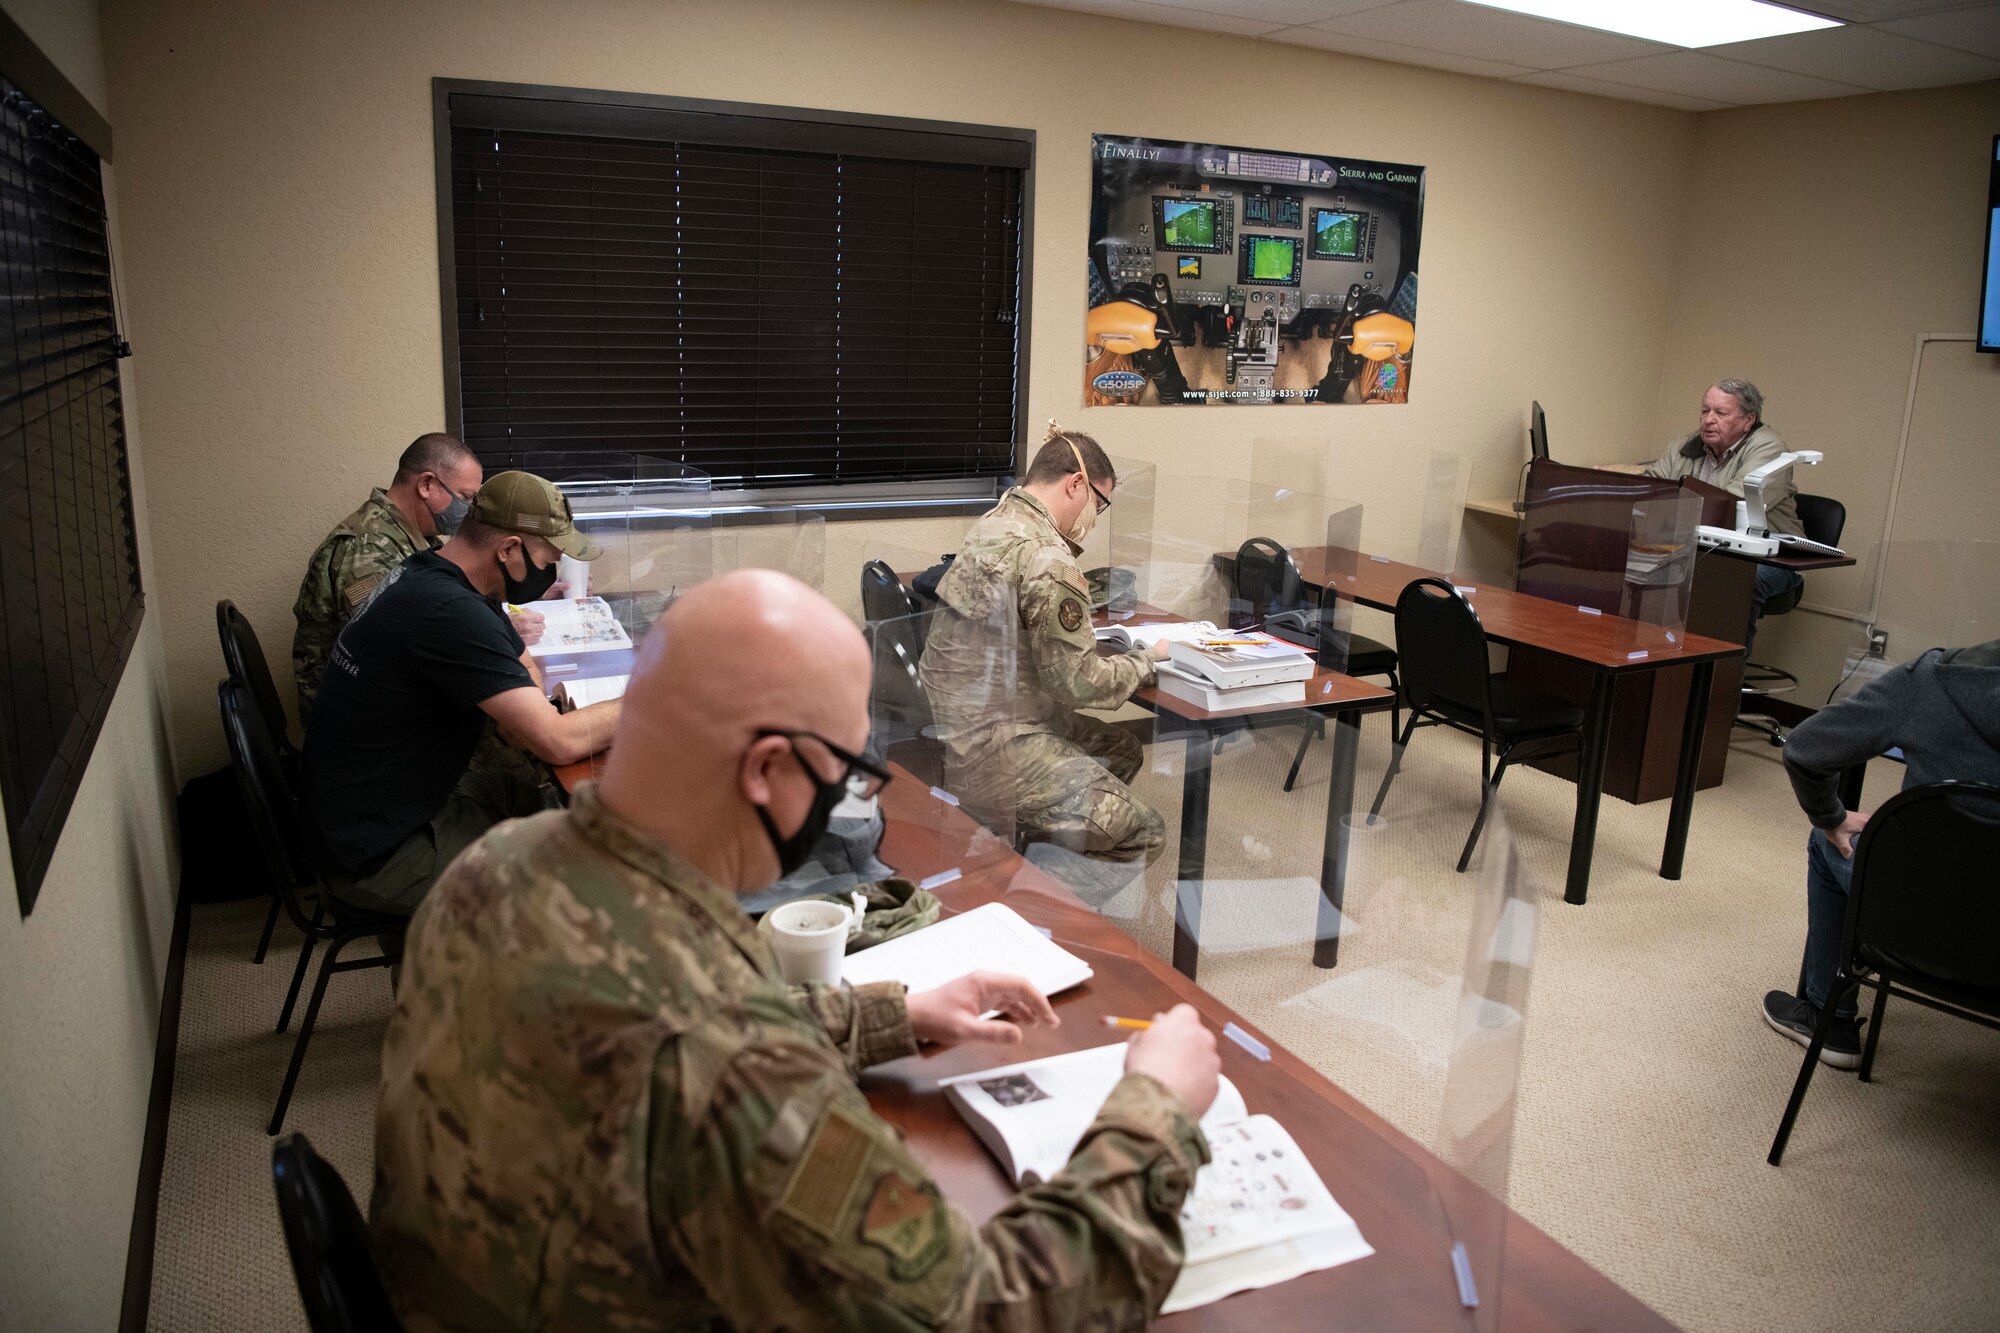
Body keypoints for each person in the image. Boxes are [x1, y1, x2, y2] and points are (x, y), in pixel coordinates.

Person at [370, 568, 1223, 1329]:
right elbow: (981, 1309)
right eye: (846, 766)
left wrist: (890, 1012)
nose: (848, 792)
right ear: (768, 768)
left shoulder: (492, 866)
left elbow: (651, 1033)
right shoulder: (728, 1063)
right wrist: (1154, 1113)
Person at [299, 470, 619, 916]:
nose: (549, 573)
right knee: (576, 894)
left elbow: (521, 664)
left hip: (396, 800)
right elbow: (557, 740)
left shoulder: (434, 572)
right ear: (509, 549)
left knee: (553, 806)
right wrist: (649, 702)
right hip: (377, 851)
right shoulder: (448, 611)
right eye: (549, 560)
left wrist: (531, 708)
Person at [920, 422, 1169, 871]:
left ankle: (1037, 850)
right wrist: (1147, 659)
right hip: (996, 744)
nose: (1095, 516)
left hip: (958, 725)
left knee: (1123, 750)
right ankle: (1042, 912)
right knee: (1145, 831)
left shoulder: (996, 522)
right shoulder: (1047, 557)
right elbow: (1079, 684)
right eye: (1100, 502)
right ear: (1076, 484)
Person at [1762, 639, 2000, 1068]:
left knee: (1828, 840)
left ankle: (1829, 1018)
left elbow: (1804, 749)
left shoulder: (1932, 679)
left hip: (1915, 930)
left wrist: (1830, 817)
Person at [1642, 379, 1804, 648]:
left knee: (1734, 581)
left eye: (1720, 413)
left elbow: (1729, 505)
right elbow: (1651, 489)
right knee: (1641, 564)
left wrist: (1672, 507)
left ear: (1748, 419)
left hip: (1771, 557)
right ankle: (1657, 661)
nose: (1708, 420)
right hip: (1700, 548)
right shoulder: (1685, 445)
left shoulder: (1770, 449)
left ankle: (1723, 676)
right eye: (1705, 411)